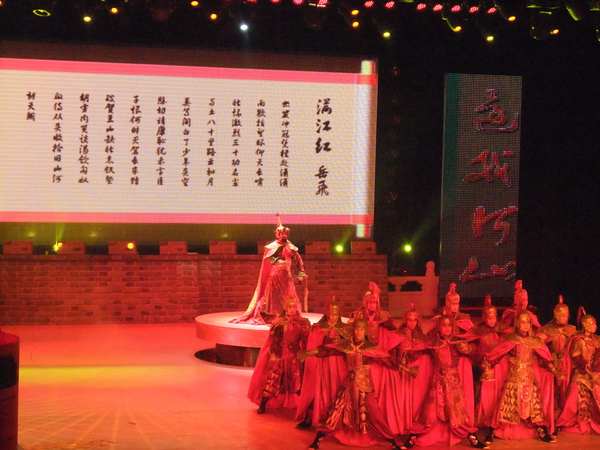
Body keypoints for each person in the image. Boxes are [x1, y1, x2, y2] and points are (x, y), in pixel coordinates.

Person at [305, 319, 401, 450]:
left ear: (365, 331)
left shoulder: (371, 348)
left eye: (361, 329)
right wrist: (309, 353)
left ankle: (392, 442)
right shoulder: (346, 346)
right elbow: (329, 351)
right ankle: (317, 440)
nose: (358, 332)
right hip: (348, 385)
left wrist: (400, 359)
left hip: (364, 386)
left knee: (374, 414)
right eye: (356, 329)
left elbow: (389, 362)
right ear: (353, 331)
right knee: (335, 412)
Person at [401, 315, 487, 449]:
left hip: (453, 382)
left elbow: (475, 355)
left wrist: (474, 351)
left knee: (457, 412)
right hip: (437, 381)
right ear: (439, 327)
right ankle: (413, 436)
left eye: (449, 325)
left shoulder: (457, 341)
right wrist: (405, 354)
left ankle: (472, 437)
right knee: (428, 412)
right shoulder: (432, 342)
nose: (447, 328)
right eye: (444, 325)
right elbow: (417, 352)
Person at [486, 310, 558, 442]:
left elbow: (545, 357)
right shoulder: (510, 339)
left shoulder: (535, 341)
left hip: (530, 376)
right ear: (517, 323)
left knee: (535, 405)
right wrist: (488, 364)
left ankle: (541, 429)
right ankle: (493, 430)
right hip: (514, 376)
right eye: (522, 322)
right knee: (507, 404)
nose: (525, 325)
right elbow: (497, 353)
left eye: (528, 322)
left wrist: (554, 369)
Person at [231, 214, 307, 325]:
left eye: (285, 233)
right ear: (277, 234)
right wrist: (278, 261)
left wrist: (301, 272)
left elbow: (298, 259)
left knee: (289, 296)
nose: (284, 235)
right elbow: (270, 259)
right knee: (274, 297)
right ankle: (274, 316)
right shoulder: (272, 246)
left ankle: (289, 315)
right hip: (275, 276)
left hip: (287, 277)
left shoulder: (290, 246)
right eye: (282, 233)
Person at [247, 297, 311, 414]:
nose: (292, 309)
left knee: (297, 382)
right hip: (280, 357)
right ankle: (263, 404)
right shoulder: (279, 323)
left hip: (294, 357)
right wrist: (274, 354)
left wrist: (304, 353)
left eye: (294, 307)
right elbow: (274, 341)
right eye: (289, 307)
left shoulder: (301, 323)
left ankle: (308, 407)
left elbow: (306, 339)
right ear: (285, 309)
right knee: (273, 382)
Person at [296, 295, 350, 429]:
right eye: (331, 315)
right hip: (323, 365)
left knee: (338, 391)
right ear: (327, 314)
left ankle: (339, 420)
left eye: (336, 315)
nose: (334, 317)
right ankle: (315, 418)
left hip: (339, 365)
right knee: (321, 392)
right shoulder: (319, 329)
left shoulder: (345, 329)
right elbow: (314, 346)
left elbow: (348, 348)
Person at [461, 295, 505, 445]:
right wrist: (480, 358)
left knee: (497, 395)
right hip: (481, 368)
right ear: (484, 317)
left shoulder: (502, 330)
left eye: (494, 318)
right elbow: (469, 345)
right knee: (479, 395)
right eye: (489, 318)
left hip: (499, 368)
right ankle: (477, 422)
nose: (491, 321)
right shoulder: (477, 330)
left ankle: (495, 423)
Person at [384, 302, 432, 436]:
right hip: (401, 371)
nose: (412, 323)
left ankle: (412, 423)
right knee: (401, 399)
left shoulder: (422, 336)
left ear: (418, 321)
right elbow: (390, 351)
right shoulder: (397, 334)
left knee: (414, 399)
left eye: (414, 320)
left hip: (415, 373)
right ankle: (400, 424)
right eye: (409, 320)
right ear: (405, 320)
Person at [555, 308, 600, 435]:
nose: (595, 326)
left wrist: (596, 372)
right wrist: (589, 373)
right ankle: (565, 422)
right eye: (593, 324)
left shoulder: (597, 340)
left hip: (595, 375)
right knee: (574, 399)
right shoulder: (577, 340)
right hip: (581, 375)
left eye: (595, 324)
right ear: (586, 325)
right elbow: (578, 360)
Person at [537, 295, 577, 413]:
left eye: (567, 315)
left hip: (566, 363)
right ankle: (550, 412)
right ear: (556, 315)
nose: (565, 318)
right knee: (551, 389)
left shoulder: (572, 329)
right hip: (550, 362)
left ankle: (565, 413)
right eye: (562, 315)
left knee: (566, 389)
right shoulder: (546, 329)